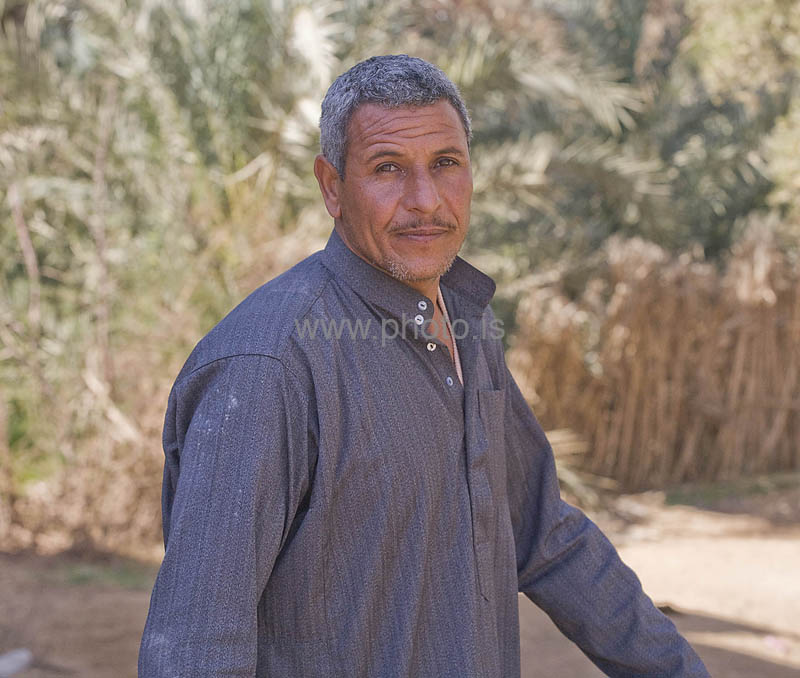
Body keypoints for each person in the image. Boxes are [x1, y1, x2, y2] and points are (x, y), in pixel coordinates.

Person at [139, 55, 710, 677]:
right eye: (388, 168)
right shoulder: (267, 366)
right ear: (332, 186)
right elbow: (196, 646)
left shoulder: (466, 323)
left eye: (445, 164)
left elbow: (544, 533)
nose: (425, 200)